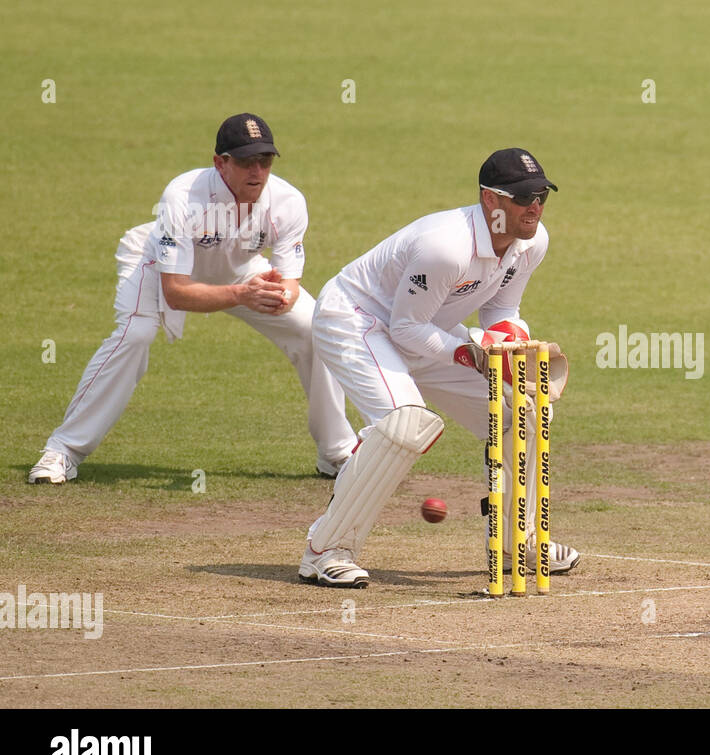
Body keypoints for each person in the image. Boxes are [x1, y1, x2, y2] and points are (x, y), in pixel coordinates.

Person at [297, 148, 580, 588]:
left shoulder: (531, 242)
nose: (535, 206)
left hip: (429, 330)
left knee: (522, 411)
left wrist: (510, 345)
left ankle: (515, 543)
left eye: (541, 195)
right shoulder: (446, 247)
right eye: (523, 197)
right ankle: (325, 549)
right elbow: (404, 327)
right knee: (406, 424)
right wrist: (470, 354)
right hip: (358, 321)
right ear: (490, 200)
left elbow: (502, 305)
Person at [28, 113, 357, 485]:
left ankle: (336, 453)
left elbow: (290, 282)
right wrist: (241, 295)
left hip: (241, 271)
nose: (258, 172)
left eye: (264, 161)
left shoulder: (287, 202)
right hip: (157, 266)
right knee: (136, 334)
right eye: (246, 162)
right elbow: (176, 291)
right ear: (220, 163)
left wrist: (281, 295)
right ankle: (63, 450)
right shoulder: (183, 196)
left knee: (316, 328)